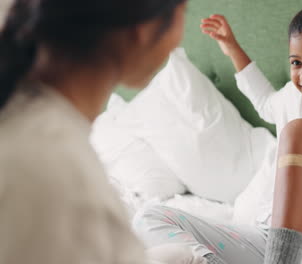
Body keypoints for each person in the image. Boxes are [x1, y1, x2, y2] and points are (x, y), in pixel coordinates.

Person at [132, 0, 302, 264]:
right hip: (267, 240)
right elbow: (266, 103)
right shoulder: (295, 98)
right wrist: (232, 48)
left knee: (298, 132)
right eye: (296, 63)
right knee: (149, 217)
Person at [0, 1, 206, 264]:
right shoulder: (59, 173)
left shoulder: (22, 110)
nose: (178, 42)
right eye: (183, 13)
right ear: (141, 28)